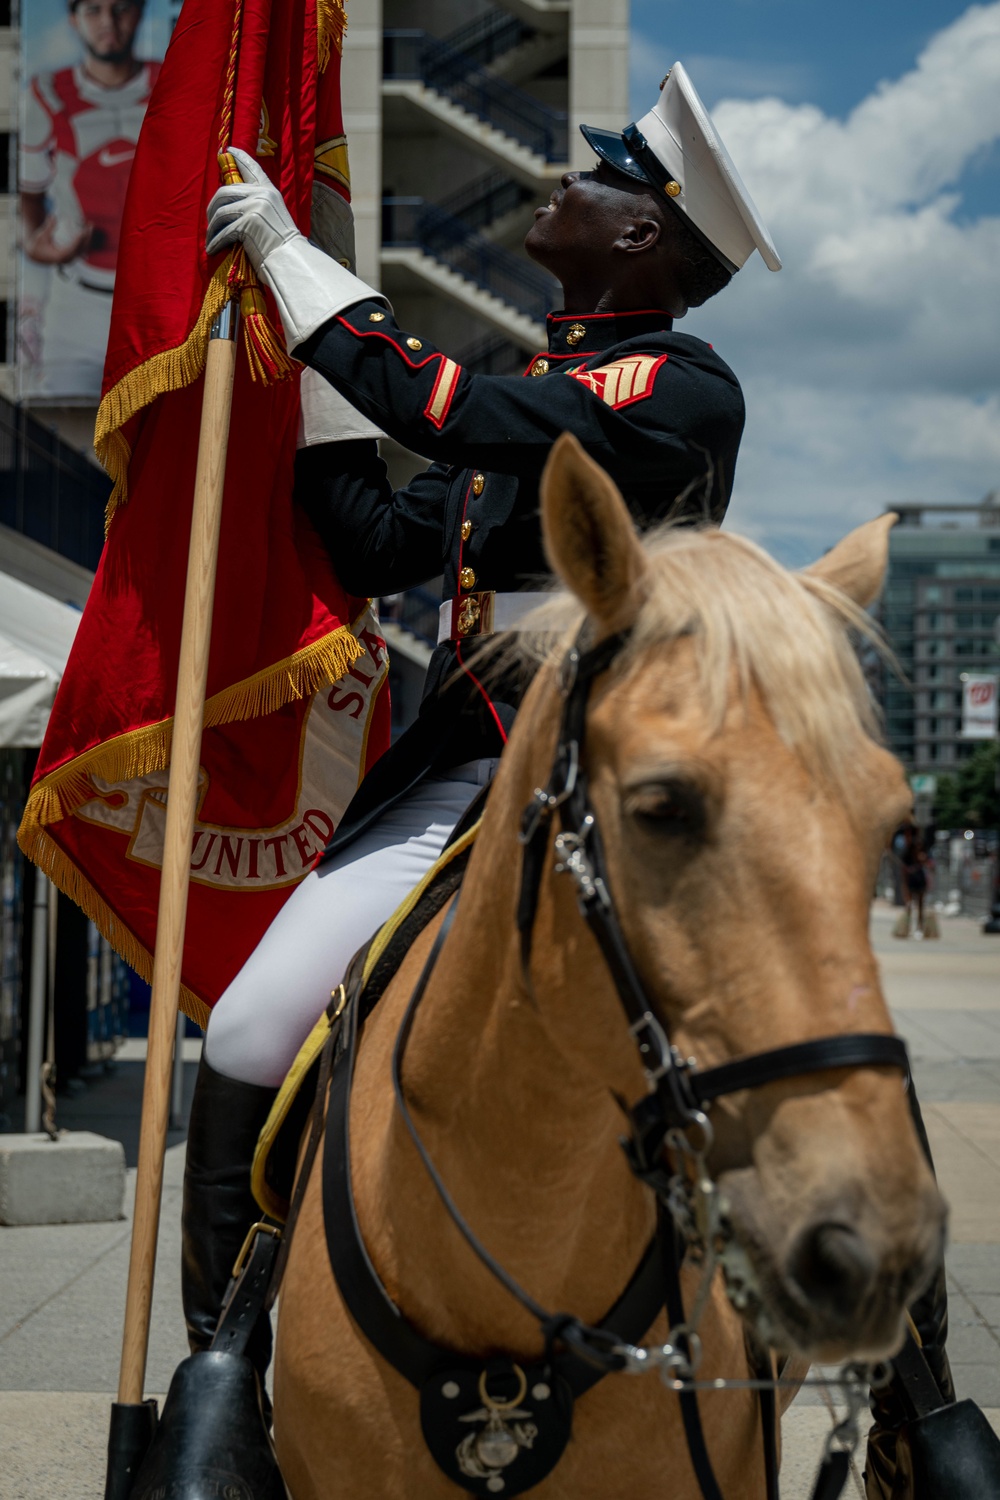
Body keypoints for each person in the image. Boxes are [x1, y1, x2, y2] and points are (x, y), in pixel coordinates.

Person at [192, 66, 961, 1500]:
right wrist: (270, 359)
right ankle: (225, 1377)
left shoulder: (677, 387)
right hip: (474, 771)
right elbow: (372, 535)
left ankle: (924, 1413)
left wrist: (306, 274)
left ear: (644, 243)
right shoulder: (541, 391)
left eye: (606, 175)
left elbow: (446, 407)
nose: (571, 178)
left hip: (627, 775)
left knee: (825, 1041)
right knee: (244, 1037)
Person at [19, 0, 159, 398]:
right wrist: (35, 243)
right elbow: (30, 194)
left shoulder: (173, 85)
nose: (108, 22)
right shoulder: (47, 94)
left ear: (139, 13)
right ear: (74, 19)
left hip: (152, 303)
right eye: (94, 10)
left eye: (121, 9)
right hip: (77, 303)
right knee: (60, 440)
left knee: (160, 443)